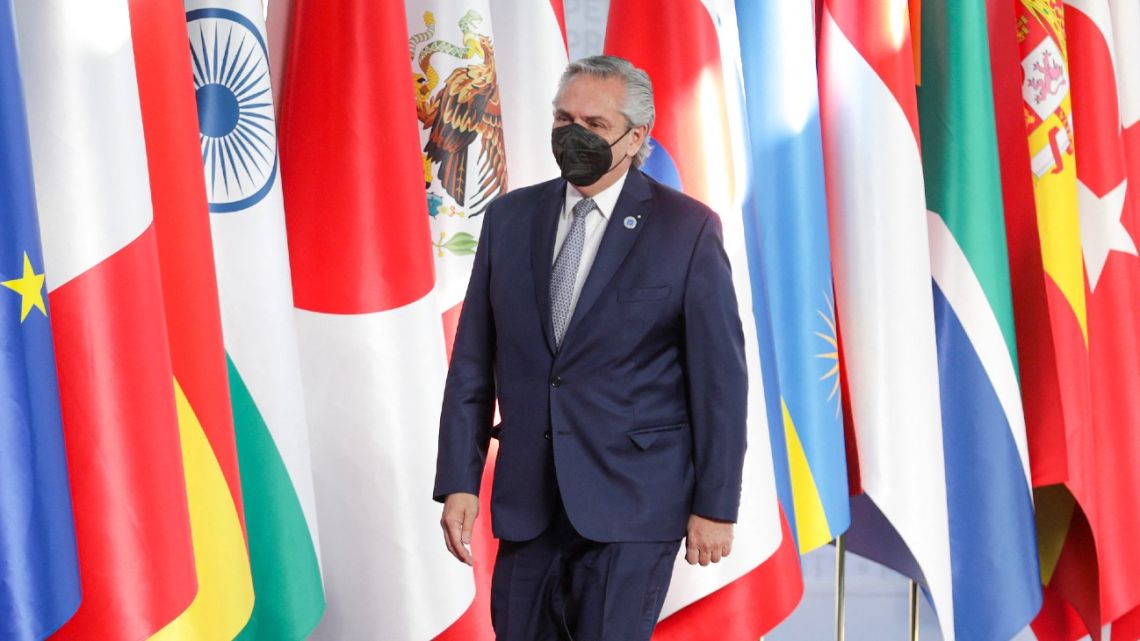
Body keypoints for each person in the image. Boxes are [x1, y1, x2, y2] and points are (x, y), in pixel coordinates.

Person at [433, 54, 748, 641]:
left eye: (595, 125)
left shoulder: (687, 229)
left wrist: (716, 505)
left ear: (636, 138)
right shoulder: (509, 218)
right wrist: (459, 479)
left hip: (633, 505)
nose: (574, 135)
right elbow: (472, 362)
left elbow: (720, 384)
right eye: (563, 118)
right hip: (528, 504)